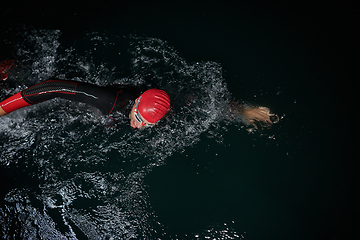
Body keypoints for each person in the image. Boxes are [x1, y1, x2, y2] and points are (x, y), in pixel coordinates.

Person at [0, 79, 171, 129]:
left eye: (146, 125)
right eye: (138, 118)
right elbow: (52, 87)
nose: (137, 126)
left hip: (103, 110)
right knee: (20, 82)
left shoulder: (151, 103)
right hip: (73, 102)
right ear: (136, 103)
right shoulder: (108, 100)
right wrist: (2, 109)